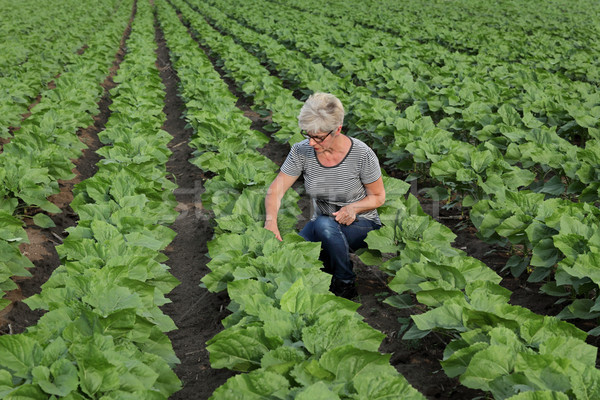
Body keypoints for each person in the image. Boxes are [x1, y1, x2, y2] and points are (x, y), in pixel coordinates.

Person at [264, 92, 385, 299]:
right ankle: (330, 266)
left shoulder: (361, 154)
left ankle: (345, 282)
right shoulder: (301, 151)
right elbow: (276, 189)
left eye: (318, 137)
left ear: (337, 129)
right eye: (307, 134)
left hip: (361, 224)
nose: (311, 143)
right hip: (324, 224)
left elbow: (378, 197)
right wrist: (270, 221)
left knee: (323, 225)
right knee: (295, 255)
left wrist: (353, 208)